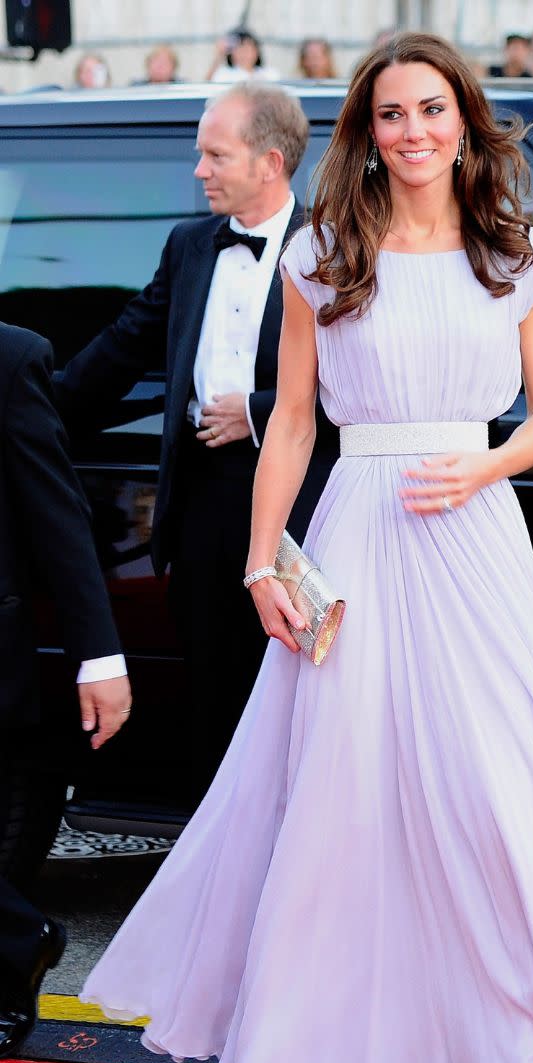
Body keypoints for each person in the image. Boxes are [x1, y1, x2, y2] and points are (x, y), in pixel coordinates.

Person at [80, 33, 533, 1063]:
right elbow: (295, 422)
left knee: (499, 798)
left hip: (473, 534)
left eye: (430, 110)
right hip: (356, 531)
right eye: (389, 115)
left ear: (465, 119)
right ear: (364, 133)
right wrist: (265, 560)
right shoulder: (323, 251)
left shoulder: (518, 256)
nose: (411, 132)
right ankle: (336, 1056)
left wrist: (488, 465)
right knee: (347, 799)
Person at [54, 83, 337, 802]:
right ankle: (220, 867)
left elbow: (369, 385)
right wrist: (31, 407)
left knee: (304, 700)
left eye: (215, 155)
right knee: (212, 697)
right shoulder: (187, 245)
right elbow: (124, 346)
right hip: (203, 504)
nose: (198, 170)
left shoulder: (331, 250)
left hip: (307, 510)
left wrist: (259, 408)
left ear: (271, 162)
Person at [0, 322, 131, 1059]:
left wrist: (99, 655)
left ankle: (16, 943)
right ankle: (19, 938)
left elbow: (57, 516)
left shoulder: (12, 358)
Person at [207, 29, 279, 83]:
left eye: (248, 49)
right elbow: (208, 86)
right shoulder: (224, 74)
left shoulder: (269, 73)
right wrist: (219, 55)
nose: (245, 54)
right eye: (240, 50)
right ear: (231, 53)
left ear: (257, 51)